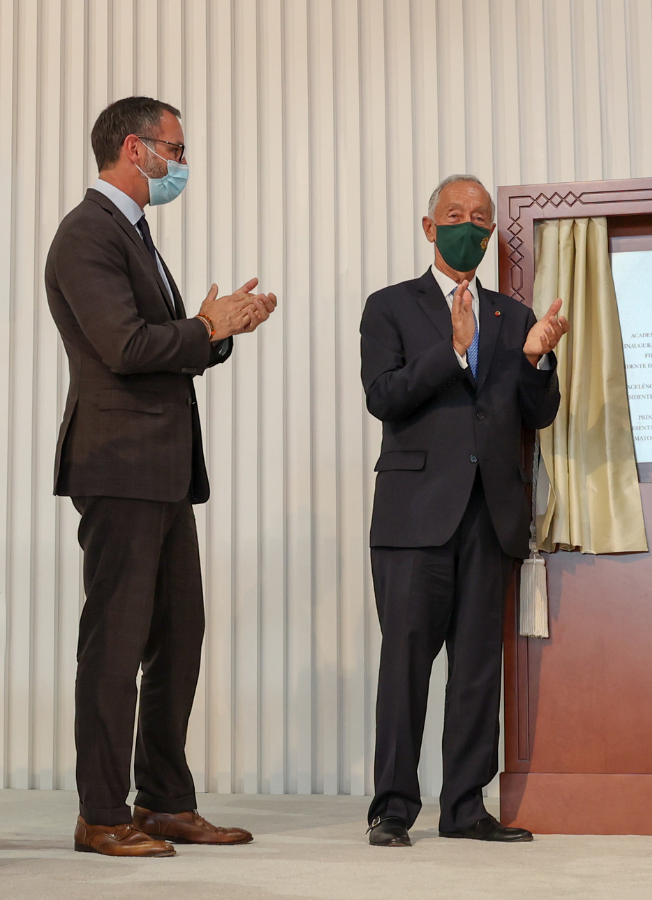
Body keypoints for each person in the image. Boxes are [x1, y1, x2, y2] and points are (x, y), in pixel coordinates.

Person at [44, 96, 277, 857]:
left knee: (178, 636)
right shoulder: (87, 233)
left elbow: (165, 345)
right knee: (115, 642)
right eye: (175, 148)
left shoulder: (136, 237)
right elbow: (124, 346)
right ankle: (101, 813)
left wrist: (220, 331)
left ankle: (165, 803)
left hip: (165, 471)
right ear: (134, 148)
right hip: (119, 466)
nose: (182, 162)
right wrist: (204, 329)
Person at [360, 175, 568, 847]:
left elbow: (535, 415)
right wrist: (450, 352)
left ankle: (466, 808)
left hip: (490, 516)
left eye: (481, 218)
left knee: (477, 667)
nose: (470, 226)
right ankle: (392, 808)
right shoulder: (390, 307)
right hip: (414, 517)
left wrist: (537, 359)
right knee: (407, 664)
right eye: (456, 215)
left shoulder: (511, 314)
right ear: (429, 227)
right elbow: (384, 396)